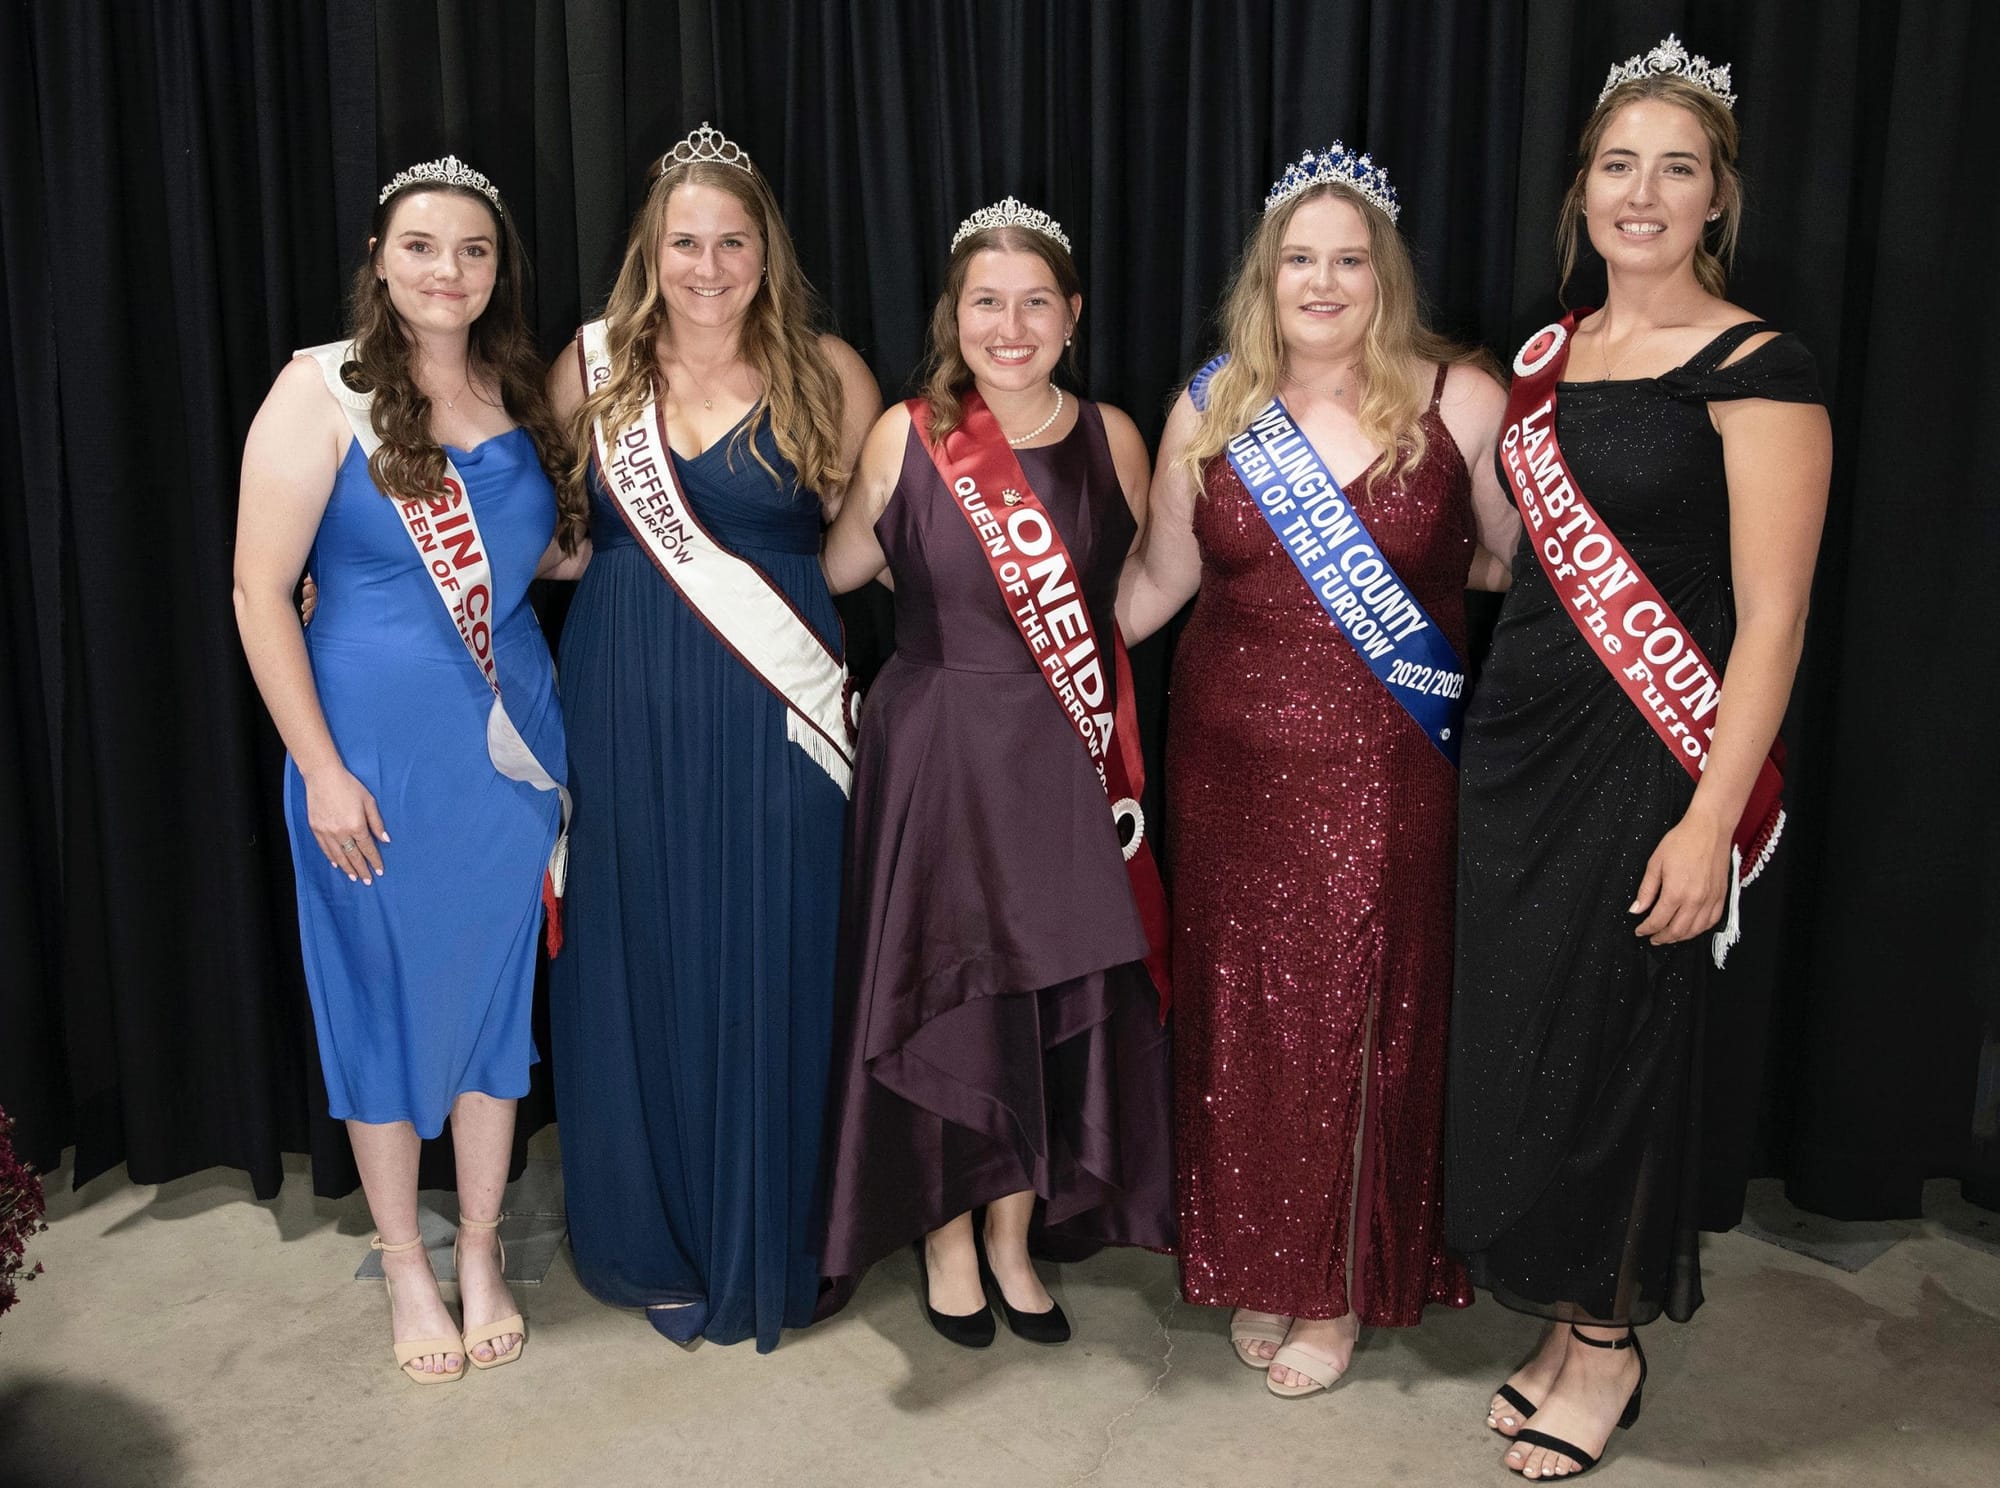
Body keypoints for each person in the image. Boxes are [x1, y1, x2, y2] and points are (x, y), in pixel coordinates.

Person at [1445, 38, 1831, 1479]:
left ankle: (1608, 1347)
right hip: (1522, 746)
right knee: (1528, 1042)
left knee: (1618, 1049)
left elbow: (1777, 617)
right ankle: (1562, 1318)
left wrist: (1711, 817)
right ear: (1583, 190)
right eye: (1620, 165)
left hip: (1652, 758)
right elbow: (1511, 565)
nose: (1643, 194)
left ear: (1718, 197)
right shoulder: (1547, 357)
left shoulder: (1757, 366)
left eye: (1677, 169)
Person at [1119, 147, 1519, 1396]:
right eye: (1300, 258)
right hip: (1226, 767)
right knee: (1242, 1012)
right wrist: (1012, 657)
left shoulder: (1460, 400)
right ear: (1265, 274)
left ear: (1383, 273)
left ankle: (1337, 1281)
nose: (1324, 280)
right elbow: (1158, 582)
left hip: (1388, 765)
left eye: (1349, 258)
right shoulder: (1210, 405)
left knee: (1358, 1013)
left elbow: (1509, 565)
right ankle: (1259, 1253)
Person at [233, 156, 581, 1383]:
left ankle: (480, 1248)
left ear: (499, 271)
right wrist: (318, 768)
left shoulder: (517, 393)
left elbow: (546, 560)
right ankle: (401, 1260)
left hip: (506, 753)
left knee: (495, 1012)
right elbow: (258, 591)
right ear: (382, 259)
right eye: (424, 245)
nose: (450, 269)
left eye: (475, 250)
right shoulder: (317, 389)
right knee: (376, 1004)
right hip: (368, 760)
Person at [817, 198, 1175, 1348]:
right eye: (985, 302)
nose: (1008, 325)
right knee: (945, 989)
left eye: (1033, 302)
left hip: (1056, 754)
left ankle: (1014, 1235)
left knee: (1035, 994)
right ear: (953, 317)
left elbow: (1123, 599)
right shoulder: (904, 433)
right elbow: (837, 567)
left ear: (1071, 314)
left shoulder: (1112, 436)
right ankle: (942, 1234)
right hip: (932, 748)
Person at [545, 122, 878, 1352]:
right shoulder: (591, 372)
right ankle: (657, 1229)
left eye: (731, 239)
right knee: (638, 948)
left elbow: (870, 539)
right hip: (622, 693)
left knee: (779, 943)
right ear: (651, 248)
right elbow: (561, 545)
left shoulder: (827, 370)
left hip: (778, 707)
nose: (706, 262)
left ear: (764, 252)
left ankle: (778, 1224)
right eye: (684, 239)